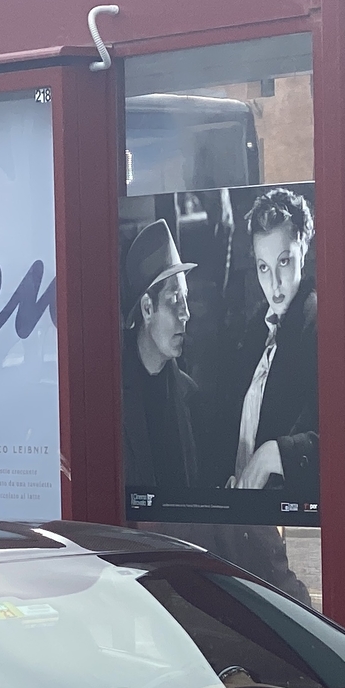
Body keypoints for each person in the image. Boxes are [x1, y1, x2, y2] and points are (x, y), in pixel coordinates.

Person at [218, 186, 320, 506]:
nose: (273, 284)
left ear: (303, 247)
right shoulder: (252, 335)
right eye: (264, 267)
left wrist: (274, 455)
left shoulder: (321, 328)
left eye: (284, 261)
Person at [119, 219, 206, 517]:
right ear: (147, 308)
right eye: (174, 300)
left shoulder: (190, 395)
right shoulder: (108, 399)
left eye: (186, 298)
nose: (186, 313)